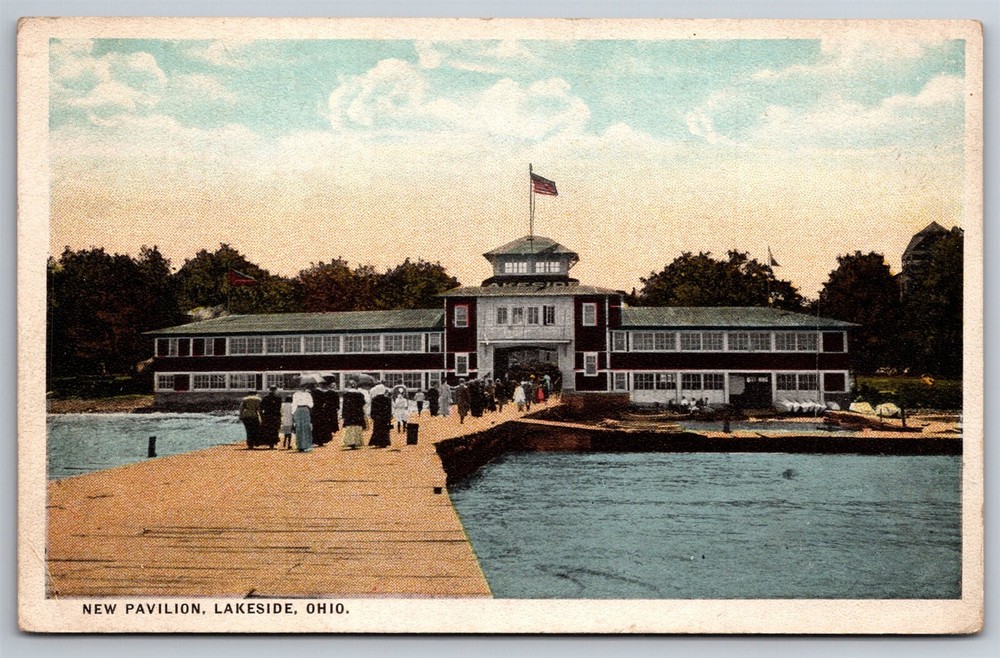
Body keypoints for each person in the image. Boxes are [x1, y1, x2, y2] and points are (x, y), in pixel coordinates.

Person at [341, 380, 367, 450]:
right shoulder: (360, 394)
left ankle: (350, 442)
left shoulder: (346, 394)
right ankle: (356, 442)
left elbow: (344, 406)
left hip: (349, 414)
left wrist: (343, 415)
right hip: (358, 413)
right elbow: (363, 405)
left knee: (350, 427)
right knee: (357, 427)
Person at [291, 385, 314, 452]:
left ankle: (301, 445)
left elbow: (294, 404)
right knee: (305, 427)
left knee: (300, 428)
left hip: (299, 410)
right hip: (304, 409)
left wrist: (293, 413)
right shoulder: (307, 394)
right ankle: (304, 445)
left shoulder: (296, 394)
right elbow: (311, 404)